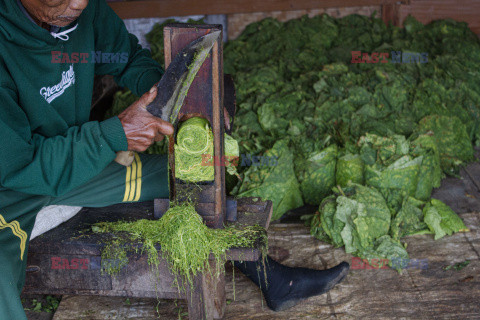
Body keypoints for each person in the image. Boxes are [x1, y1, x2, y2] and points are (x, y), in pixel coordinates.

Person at [0, 0, 349, 318]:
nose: (76, 3)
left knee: (196, 176)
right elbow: (22, 166)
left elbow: (131, 61)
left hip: (70, 161)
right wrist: (115, 134)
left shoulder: (83, 13)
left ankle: (271, 278)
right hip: (11, 187)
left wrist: (185, 99)